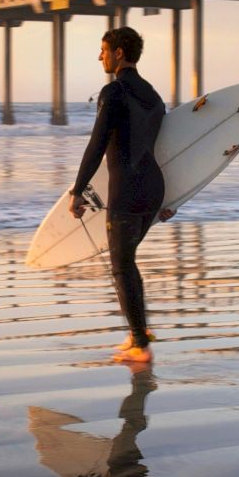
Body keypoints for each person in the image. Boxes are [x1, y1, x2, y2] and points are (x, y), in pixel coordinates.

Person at [70, 26, 173, 363]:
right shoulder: (154, 96)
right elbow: (167, 146)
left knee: (121, 266)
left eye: (103, 50)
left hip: (127, 193)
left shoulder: (113, 92)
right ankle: (138, 333)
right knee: (127, 262)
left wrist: (78, 190)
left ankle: (140, 346)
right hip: (153, 189)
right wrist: (172, 198)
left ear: (118, 53)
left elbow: (97, 144)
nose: (100, 56)